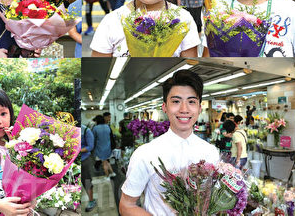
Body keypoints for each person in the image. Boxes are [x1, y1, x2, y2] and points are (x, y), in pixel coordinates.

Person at [119, 70, 219, 216]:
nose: (184, 109)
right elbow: (126, 205)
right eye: (176, 101)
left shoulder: (210, 152)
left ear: (199, 108)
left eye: (191, 101)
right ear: (165, 107)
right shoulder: (146, 153)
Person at [92, 115, 116, 179]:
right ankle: (112, 173)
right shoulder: (107, 126)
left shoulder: (95, 128)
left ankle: (107, 176)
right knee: (106, 161)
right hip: (108, 148)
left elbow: (93, 139)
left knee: (104, 163)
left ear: (97, 121)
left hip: (100, 148)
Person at [81, 124, 97, 212]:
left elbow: (90, 146)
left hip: (84, 160)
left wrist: (78, 150)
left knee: (86, 181)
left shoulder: (86, 130)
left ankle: (91, 201)